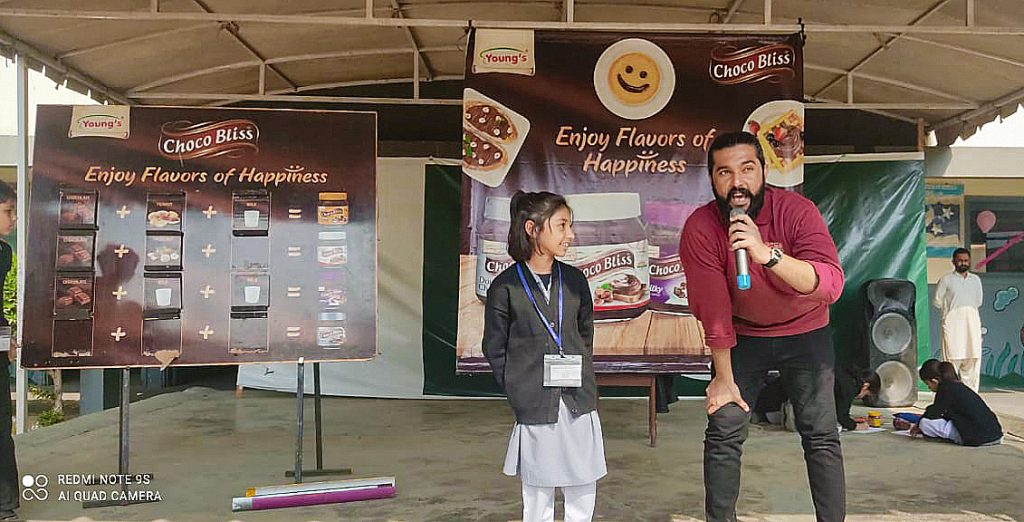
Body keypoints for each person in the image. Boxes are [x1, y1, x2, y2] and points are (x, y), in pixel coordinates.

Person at [680, 131, 847, 522]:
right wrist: (723, 379)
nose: (737, 182)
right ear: (712, 179)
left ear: (764, 171)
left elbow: (830, 285)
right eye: (724, 172)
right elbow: (714, 310)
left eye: (747, 169)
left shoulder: (797, 211)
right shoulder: (701, 226)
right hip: (743, 336)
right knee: (724, 426)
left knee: (820, 432)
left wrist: (766, 254)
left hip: (806, 330)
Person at [482, 191, 606, 522]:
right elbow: (495, 347)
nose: (570, 234)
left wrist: (580, 371)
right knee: (538, 491)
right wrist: (518, 387)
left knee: (583, 482)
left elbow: (585, 334)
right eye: (562, 225)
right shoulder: (506, 287)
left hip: (578, 398)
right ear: (532, 228)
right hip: (534, 401)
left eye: (569, 225)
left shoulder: (575, 281)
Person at [896, 359, 1002, 446]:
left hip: (978, 438)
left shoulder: (945, 389)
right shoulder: (958, 386)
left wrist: (919, 423)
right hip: (995, 434)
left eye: (928, 384)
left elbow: (934, 413)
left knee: (925, 424)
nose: (929, 388)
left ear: (934, 381)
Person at [933, 248, 984, 391]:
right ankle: (950, 397)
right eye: (960, 260)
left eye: (966, 260)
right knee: (951, 364)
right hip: (953, 328)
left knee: (972, 362)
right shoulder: (946, 280)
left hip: (972, 327)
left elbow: (978, 301)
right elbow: (937, 301)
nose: (963, 263)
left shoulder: (975, 280)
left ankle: (971, 398)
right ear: (953, 261)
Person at [0, 181, 19, 521]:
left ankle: (5, 502)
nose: (14, 218)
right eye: (7, 211)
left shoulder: (4, 252)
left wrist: (7, 341)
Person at [834, 366, 879, 432]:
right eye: (866, 395)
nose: (862, 398)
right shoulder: (850, 387)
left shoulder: (849, 377)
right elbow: (841, 417)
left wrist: (851, 420)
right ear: (866, 386)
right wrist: (856, 426)